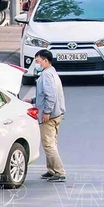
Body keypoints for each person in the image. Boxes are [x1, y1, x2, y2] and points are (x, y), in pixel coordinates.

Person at [31, 50, 66, 181]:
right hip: (57, 113)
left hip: (50, 116)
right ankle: (51, 170)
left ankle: (59, 171)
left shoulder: (46, 75)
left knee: (48, 144)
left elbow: (50, 95)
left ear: (45, 61)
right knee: (52, 142)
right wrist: (33, 100)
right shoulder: (51, 72)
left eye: (38, 61)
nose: (37, 64)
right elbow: (45, 94)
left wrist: (46, 111)